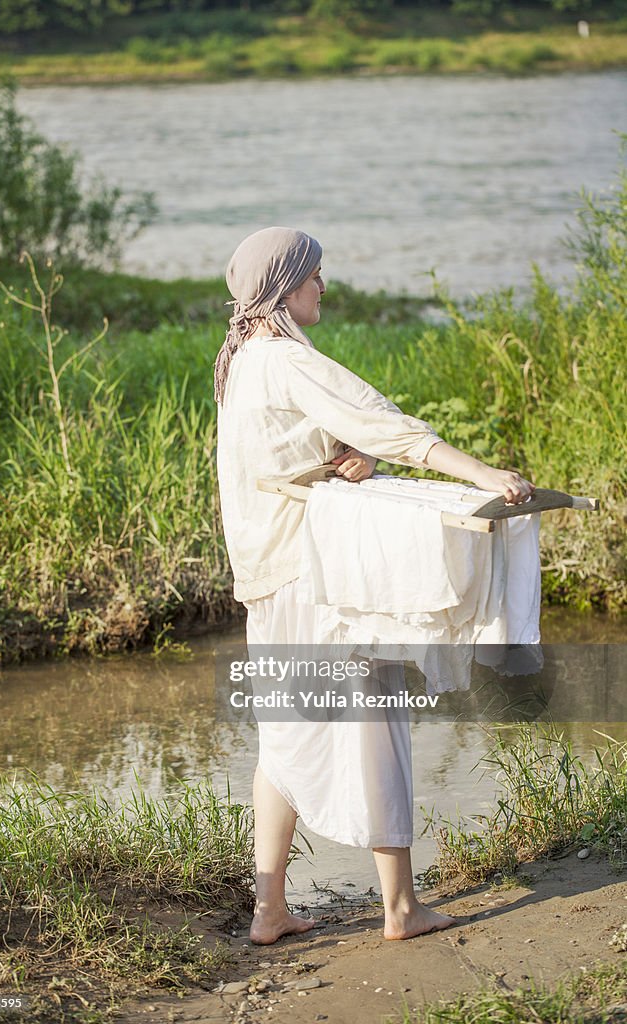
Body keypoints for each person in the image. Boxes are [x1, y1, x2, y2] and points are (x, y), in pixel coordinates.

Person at [214, 226, 534, 946]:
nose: (324, 285)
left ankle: (269, 910)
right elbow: (387, 424)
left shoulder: (240, 364)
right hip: (319, 580)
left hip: (269, 582)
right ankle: (399, 910)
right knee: (376, 726)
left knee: (284, 739)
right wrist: (483, 475)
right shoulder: (286, 360)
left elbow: (287, 458)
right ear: (283, 285)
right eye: (315, 274)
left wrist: (341, 453)